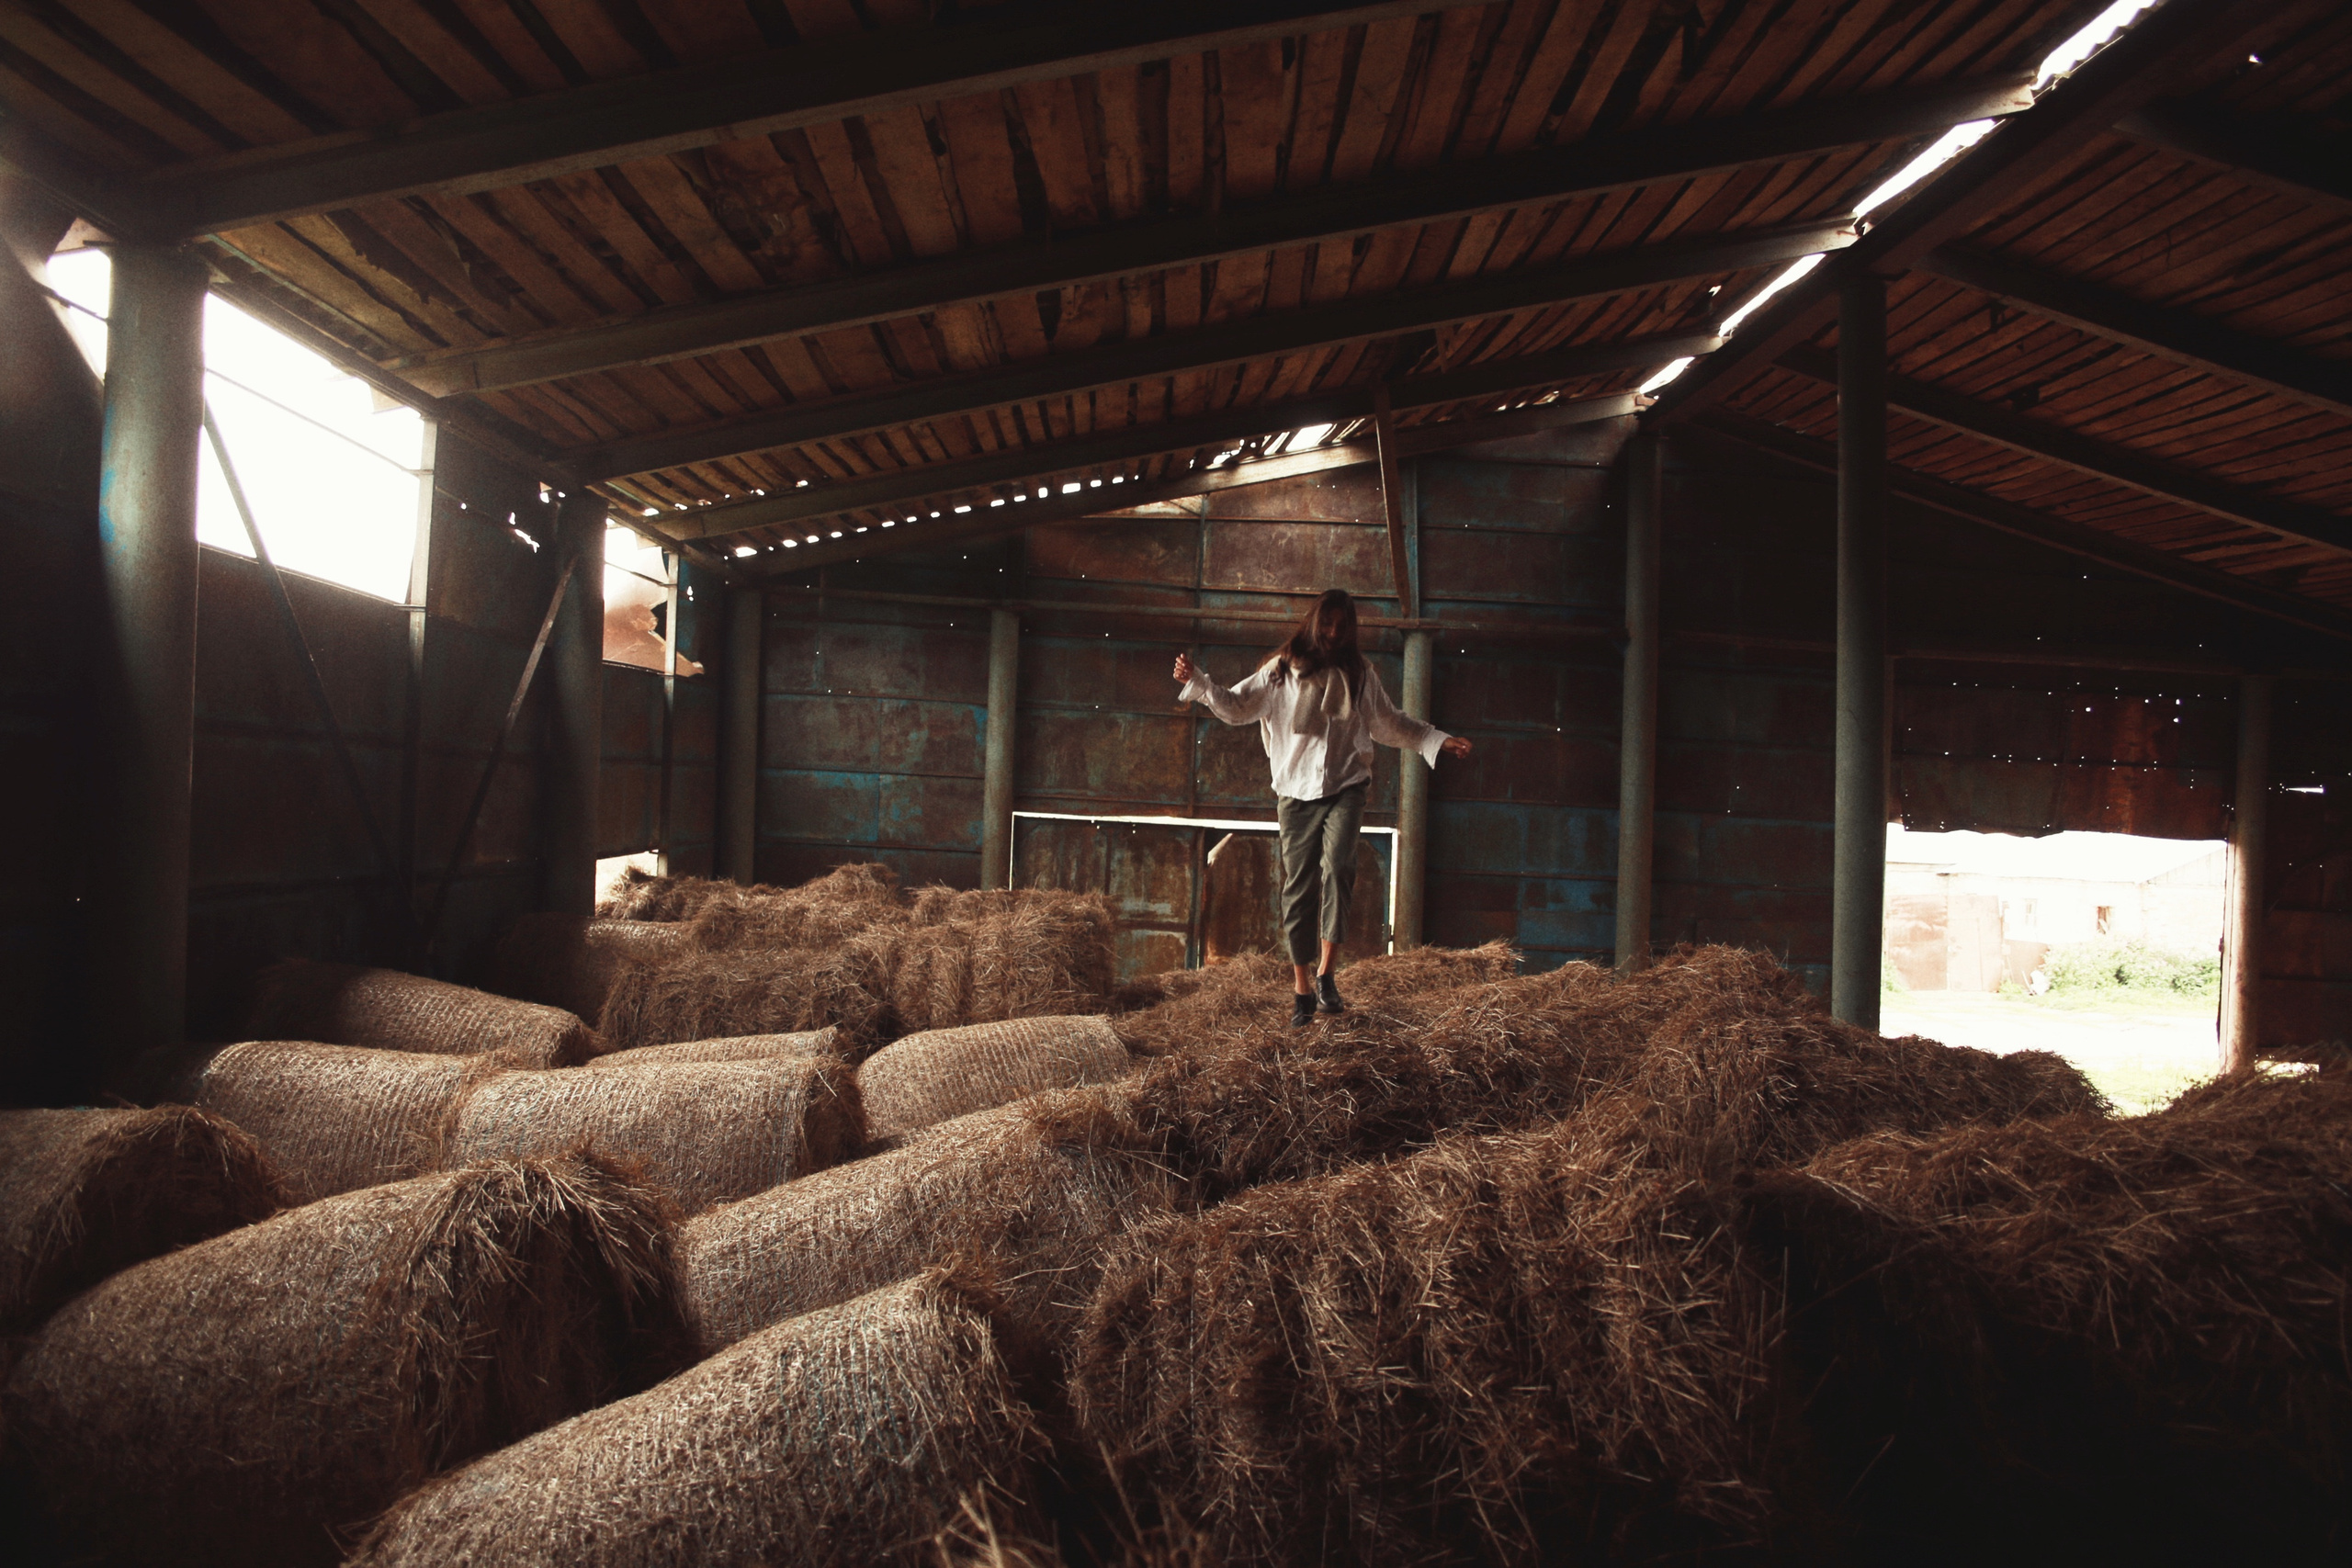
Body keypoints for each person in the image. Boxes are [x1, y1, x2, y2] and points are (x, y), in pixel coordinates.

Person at [1174, 589, 1472, 1027]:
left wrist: (1436, 739)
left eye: (1342, 626)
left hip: (1345, 787)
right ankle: (1301, 989)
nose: (1334, 632)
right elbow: (1237, 707)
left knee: (1339, 867)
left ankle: (1328, 974)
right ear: (1315, 623)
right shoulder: (1279, 674)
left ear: (1350, 630)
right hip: (1294, 794)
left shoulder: (1360, 674)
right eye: (1327, 623)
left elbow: (1390, 723)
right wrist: (1198, 683)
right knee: (1299, 888)